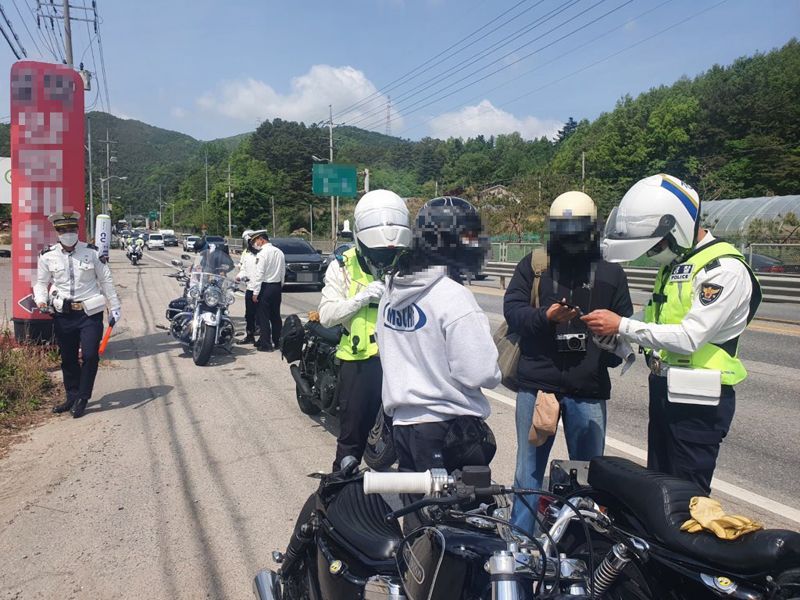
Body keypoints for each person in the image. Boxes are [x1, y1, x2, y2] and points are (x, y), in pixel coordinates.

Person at [582, 174, 761, 494]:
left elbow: (691, 336)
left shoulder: (721, 269)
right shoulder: (678, 265)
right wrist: (618, 334)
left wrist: (622, 325)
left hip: (700, 399)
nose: (651, 253)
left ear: (676, 228)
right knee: (659, 491)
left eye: (655, 245)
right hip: (666, 388)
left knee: (686, 497)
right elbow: (654, 318)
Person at [503, 191, 633, 535]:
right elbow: (513, 312)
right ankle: (520, 542)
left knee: (588, 475)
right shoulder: (535, 266)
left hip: (587, 389)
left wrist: (606, 337)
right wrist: (546, 317)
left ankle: (583, 541)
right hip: (538, 386)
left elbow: (625, 326)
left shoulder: (611, 274)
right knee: (528, 471)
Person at [377, 197, 500, 473]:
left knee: (417, 511)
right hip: (449, 430)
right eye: (470, 237)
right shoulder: (453, 296)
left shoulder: (391, 291)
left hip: (403, 426)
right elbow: (479, 372)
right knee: (458, 514)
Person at [319, 189, 411, 470]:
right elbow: (326, 315)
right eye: (378, 252)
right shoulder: (342, 267)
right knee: (352, 438)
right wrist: (361, 298)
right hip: (360, 364)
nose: (385, 259)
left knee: (410, 436)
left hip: (402, 361)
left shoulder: (408, 263)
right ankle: (336, 498)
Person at [33, 212, 122, 418]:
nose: (68, 234)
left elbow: (106, 280)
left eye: (72, 229)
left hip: (89, 313)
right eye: (63, 230)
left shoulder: (92, 252)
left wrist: (115, 306)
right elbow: (41, 282)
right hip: (63, 314)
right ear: (57, 232)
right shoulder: (47, 255)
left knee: (90, 355)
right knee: (68, 358)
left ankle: (83, 397)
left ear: (77, 230)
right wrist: (41, 300)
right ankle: (71, 396)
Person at [250, 230, 285, 352]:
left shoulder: (262, 253)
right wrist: (280, 286)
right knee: (276, 316)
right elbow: (282, 272)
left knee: (263, 316)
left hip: (265, 287)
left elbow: (259, 274)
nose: (255, 244)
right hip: (276, 287)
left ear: (261, 239)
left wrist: (255, 292)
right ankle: (278, 341)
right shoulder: (279, 252)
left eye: (255, 241)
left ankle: (266, 344)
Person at [235, 229, 259, 344]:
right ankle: (250, 335)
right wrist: (239, 276)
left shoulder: (263, 254)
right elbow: (243, 268)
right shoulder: (247, 254)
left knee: (262, 315)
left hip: (260, 288)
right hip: (250, 287)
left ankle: (264, 339)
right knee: (249, 314)